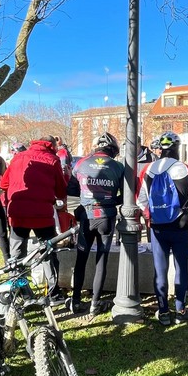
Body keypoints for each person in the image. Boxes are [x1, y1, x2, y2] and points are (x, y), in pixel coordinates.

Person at [137, 131, 188, 326]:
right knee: (181, 268)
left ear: (160, 148)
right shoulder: (185, 169)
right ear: (177, 148)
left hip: (157, 228)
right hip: (180, 226)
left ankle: (164, 311)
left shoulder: (148, 169)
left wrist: (153, 213)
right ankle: (181, 310)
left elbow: (141, 201)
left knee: (160, 270)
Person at [0, 135, 68, 304]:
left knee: (17, 255)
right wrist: (67, 176)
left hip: (18, 212)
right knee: (48, 252)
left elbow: (3, 184)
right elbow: (61, 191)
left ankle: (20, 292)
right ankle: (53, 293)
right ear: (52, 146)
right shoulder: (53, 160)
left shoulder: (18, 157)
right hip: (42, 214)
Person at [68, 133, 124, 316]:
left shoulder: (81, 163)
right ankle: (95, 303)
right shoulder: (118, 166)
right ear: (113, 150)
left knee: (81, 259)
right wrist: (110, 199)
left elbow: (71, 188)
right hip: (106, 216)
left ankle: (76, 300)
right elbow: (125, 195)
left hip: (87, 215)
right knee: (102, 260)